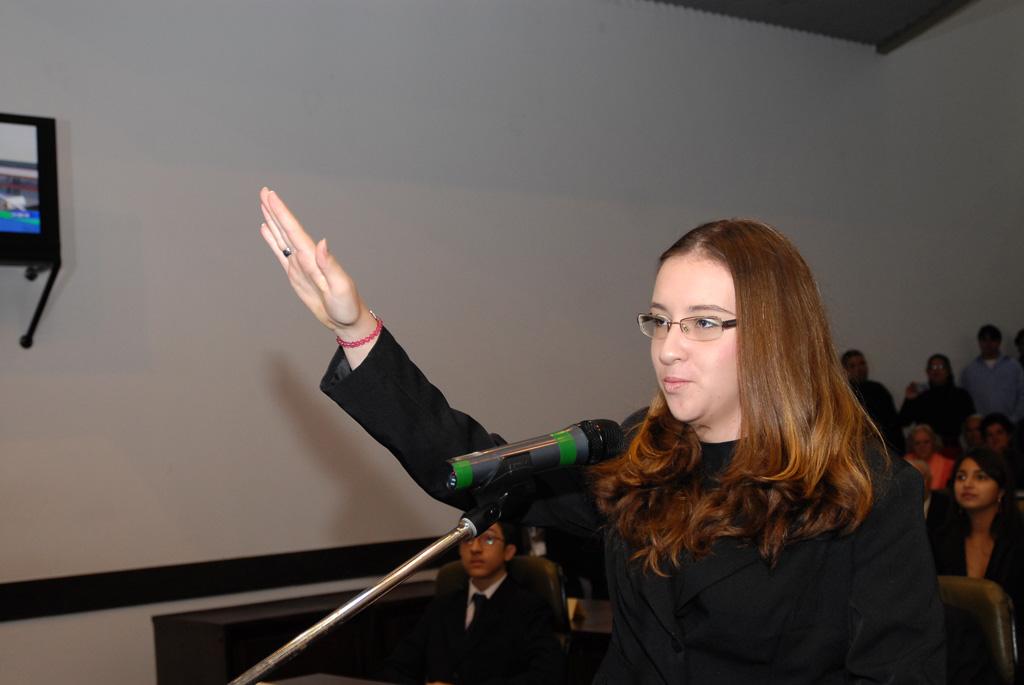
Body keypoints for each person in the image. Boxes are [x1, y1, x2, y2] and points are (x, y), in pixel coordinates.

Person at [259, 188, 945, 683]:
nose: (669, 347)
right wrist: (356, 330)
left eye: (704, 322)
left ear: (776, 334)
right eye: (660, 320)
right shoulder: (637, 455)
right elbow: (469, 466)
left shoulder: (868, 492)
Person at [375, 522, 564, 685]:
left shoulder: (529, 608)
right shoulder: (442, 607)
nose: (475, 548)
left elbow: (546, 676)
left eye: (488, 539)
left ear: (508, 552)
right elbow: (395, 668)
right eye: (467, 540)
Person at [931, 449, 1024, 645]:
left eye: (980, 477)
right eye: (961, 477)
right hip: (956, 646)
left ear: (1001, 490)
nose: (968, 484)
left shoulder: (1017, 540)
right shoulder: (939, 540)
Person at [899, 354, 975, 456]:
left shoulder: (961, 395)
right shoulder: (921, 397)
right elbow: (903, 421)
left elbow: (971, 423)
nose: (936, 370)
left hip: (951, 448)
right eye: (933, 367)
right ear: (927, 372)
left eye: (940, 367)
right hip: (925, 451)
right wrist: (909, 400)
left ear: (948, 370)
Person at [841, 349, 905, 454]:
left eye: (862, 364)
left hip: (887, 447)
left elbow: (893, 423)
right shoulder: (843, 394)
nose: (859, 369)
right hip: (856, 450)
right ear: (845, 370)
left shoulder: (878, 389)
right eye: (852, 366)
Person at [960, 324, 1024, 422]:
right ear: (979, 342)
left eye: (992, 339)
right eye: (984, 340)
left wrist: (1014, 419)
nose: (988, 344)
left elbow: (1022, 395)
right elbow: (965, 401)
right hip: (981, 426)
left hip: (1010, 425)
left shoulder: (1014, 367)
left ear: (999, 342)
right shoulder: (969, 371)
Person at [906, 458, 954, 536]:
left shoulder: (946, 504)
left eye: (920, 478)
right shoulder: (898, 505)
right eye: (909, 479)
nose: (915, 484)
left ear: (930, 480)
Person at [906, 424, 956, 491]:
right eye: (917, 443)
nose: (922, 446)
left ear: (933, 442)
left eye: (926, 442)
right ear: (912, 445)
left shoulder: (948, 465)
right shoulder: (904, 463)